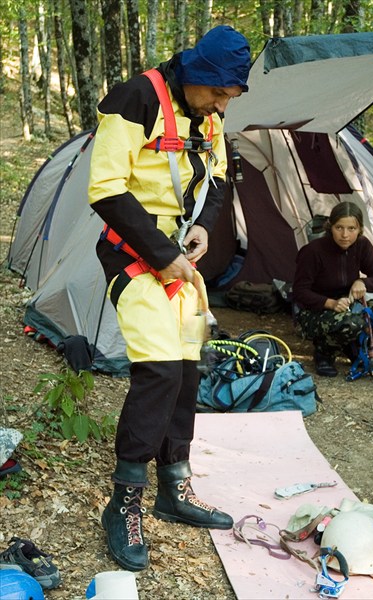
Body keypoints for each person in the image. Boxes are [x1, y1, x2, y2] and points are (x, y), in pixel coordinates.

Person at [88, 26, 251, 571]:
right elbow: (106, 189)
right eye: (220, 93)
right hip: (135, 250)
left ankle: (173, 487)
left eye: (231, 96)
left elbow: (221, 176)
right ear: (198, 75)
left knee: (188, 367)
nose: (224, 104)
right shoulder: (134, 98)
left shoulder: (209, 116)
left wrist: (204, 224)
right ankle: (124, 502)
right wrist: (161, 254)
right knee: (158, 368)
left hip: (181, 250)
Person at [292, 202, 373, 377]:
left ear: (360, 229)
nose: (345, 235)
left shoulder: (362, 245)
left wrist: (362, 282)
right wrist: (331, 303)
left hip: (351, 305)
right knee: (353, 323)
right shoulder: (313, 251)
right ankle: (324, 353)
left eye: (351, 228)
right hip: (316, 310)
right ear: (330, 227)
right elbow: (299, 292)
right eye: (339, 227)